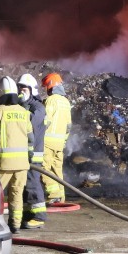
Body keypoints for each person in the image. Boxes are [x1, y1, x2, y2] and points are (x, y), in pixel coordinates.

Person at [0, 76, 32, 233]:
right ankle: (15, 225)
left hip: (3, 163)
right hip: (22, 163)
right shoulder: (24, 112)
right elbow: (31, 138)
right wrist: (29, 156)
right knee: (17, 194)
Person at [17, 74, 48, 228]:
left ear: (31, 90)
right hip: (23, 152)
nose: (21, 92)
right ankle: (29, 214)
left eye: (24, 89)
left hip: (34, 152)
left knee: (33, 183)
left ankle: (39, 216)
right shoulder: (23, 105)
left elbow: (30, 123)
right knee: (24, 185)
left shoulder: (38, 108)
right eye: (19, 89)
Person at [42, 72, 73, 204]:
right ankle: (61, 198)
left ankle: (53, 195)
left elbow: (45, 121)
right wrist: (64, 141)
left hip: (47, 142)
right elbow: (68, 126)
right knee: (57, 171)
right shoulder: (66, 102)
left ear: (50, 86)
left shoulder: (51, 100)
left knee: (43, 168)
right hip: (60, 143)